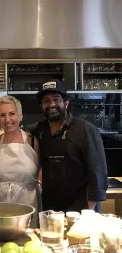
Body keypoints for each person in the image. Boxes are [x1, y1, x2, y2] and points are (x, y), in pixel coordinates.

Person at [34, 79, 108, 213]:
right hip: (50, 210)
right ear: (41, 105)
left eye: (56, 99)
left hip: (81, 210)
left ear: (66, 103)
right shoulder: (40, 130)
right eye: (46, 100)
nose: (51, 104)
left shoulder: (85, 130)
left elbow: (98, 173)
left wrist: (87, 212)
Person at [0, 96, 41, 228]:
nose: (7, 119)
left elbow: (42, 171)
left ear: (20, 116)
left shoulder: (33, 141)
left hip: (27, 201)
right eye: (2, 115)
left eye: (12, 114)